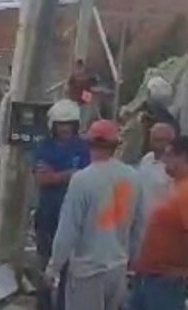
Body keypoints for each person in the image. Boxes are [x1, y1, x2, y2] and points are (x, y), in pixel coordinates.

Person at [46, 120, 145, 310]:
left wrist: (53, 267)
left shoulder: (82, 180)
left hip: (88, 271)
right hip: (117, 268)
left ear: (89, 143)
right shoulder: (133, 177)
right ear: (116, 145)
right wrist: (133, 261)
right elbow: (139, 225)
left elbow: (68, 229)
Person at [130, 136, 188, 310]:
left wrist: (185, 268)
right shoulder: (178, 186)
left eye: (168, 155)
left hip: (165, 281)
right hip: (151, 275)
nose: (163, 161)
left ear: (182, 156)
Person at [34, 99, 91, 310]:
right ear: (53, 125)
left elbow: (86, 177)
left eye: (69, 123)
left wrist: (56, 174)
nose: (65, 128)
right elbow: (42, 179)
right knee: (44, 265)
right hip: (48, 215)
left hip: (75, 217)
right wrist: (68, 174)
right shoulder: (44, 147)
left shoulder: (83, 148)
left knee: (71, 270)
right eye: (60, 124)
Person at [137, 122, 176, 219]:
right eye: (153, 139)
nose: (154, 143)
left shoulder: (173, 167)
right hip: (141, 220)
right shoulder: (147, 158)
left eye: (159, 140)